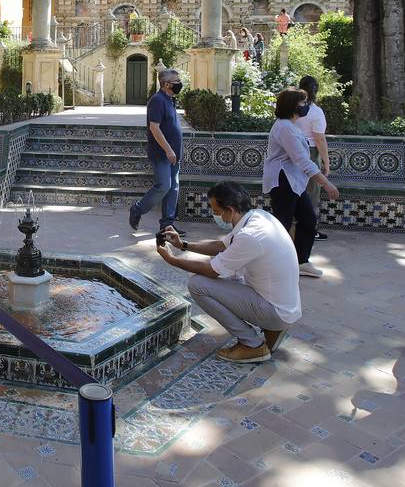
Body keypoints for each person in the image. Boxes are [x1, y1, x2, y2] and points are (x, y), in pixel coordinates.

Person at [155, 181, 301, 364]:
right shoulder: (258, 217)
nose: (215, 215)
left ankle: (252, 345)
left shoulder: (249, 236)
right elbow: (220, 246)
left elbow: (211, 270)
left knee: (198, 285)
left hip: (276, 311)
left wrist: (172, 260)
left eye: (216, 211)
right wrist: (183, 245)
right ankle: (271, 329)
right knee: (233, 273)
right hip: (283, 306)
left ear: (230, 210)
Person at [264, 89, 339, 278]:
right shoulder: (285, 128)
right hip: (282, 181)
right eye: (303, 103)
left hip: (292, 182)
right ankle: (272, 264)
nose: (306, 106)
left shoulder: (291, 126)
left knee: (308, 220)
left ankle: (301, 262)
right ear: (292, 105)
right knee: (283, 224)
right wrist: (326, 184)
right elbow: (302, 160)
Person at [128, 68, 184, 236]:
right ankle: (137, 209)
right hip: (162, 154)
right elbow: (154, 127)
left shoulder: (169, 99)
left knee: (173, 188)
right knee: (164, 186)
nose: (180, 85)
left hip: (173, 154)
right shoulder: (158, 100)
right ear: (166, 84)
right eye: (176, 82)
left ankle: (167, 225)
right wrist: (168, 150)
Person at [293, 75, 331, 240]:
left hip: (291, 151)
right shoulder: (316, 112)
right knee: (311, 192)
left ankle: (292, 229)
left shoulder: (292, 108)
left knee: (294, 190)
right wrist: (326, 163)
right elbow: (319, 139)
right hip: (310, 153)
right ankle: (309, 230)